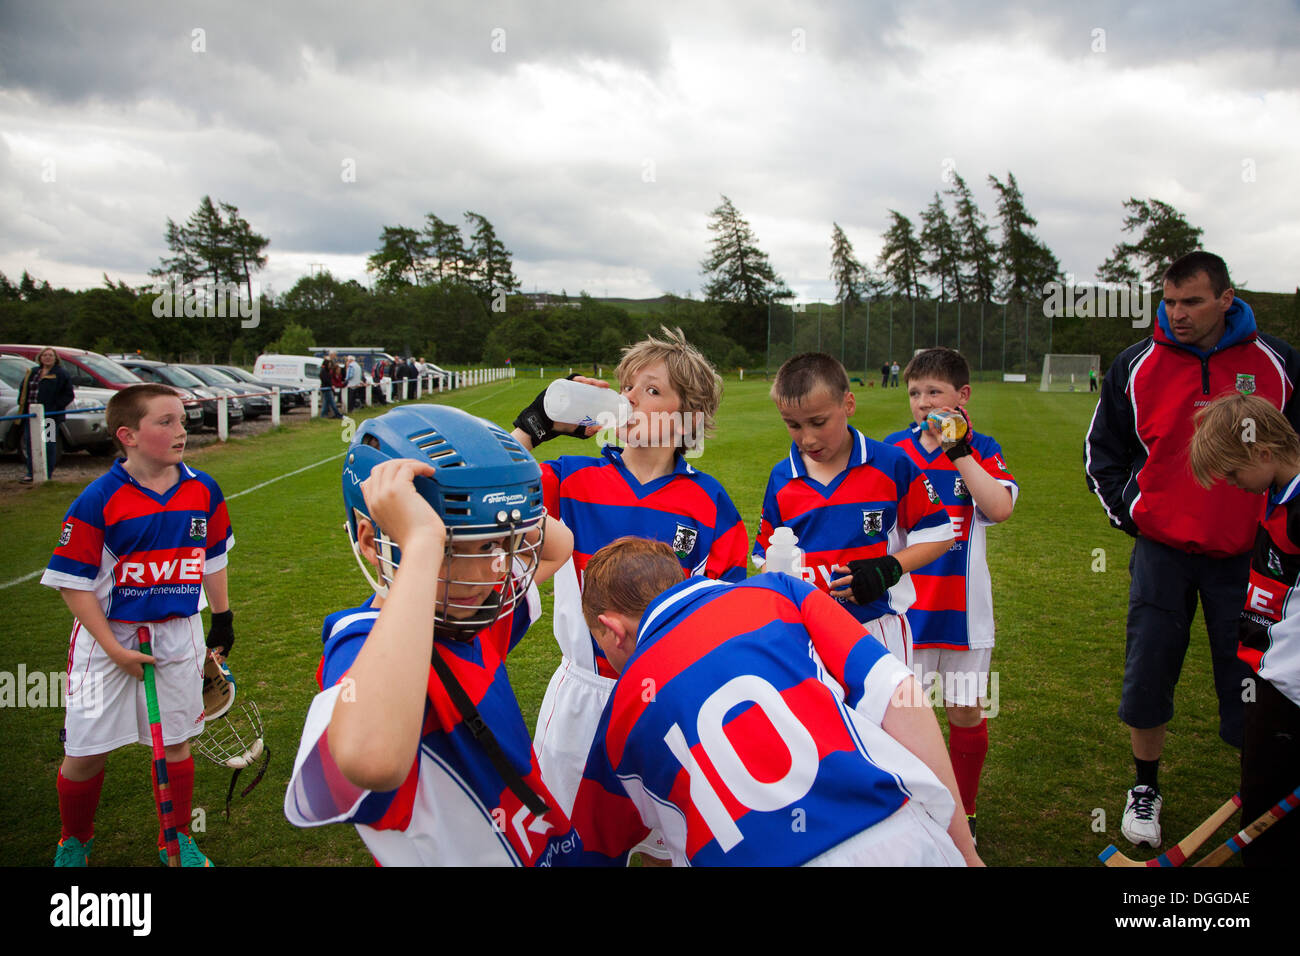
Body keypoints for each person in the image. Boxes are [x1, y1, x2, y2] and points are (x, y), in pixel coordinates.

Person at [562, 537, 982, 866]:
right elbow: (898, 694)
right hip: (895, 836)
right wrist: (965, 850)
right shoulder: (779, 592)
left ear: (610, 629)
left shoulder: (622, 709)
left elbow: (591, 848)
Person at [284, 404, 579, 865]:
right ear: (370, 537)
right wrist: (424, 540)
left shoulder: (475, 616)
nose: (482, 572)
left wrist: (499, 494)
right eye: (448, 551)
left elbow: (557, 547)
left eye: (489, 546)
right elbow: (373, 761)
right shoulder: (361, 644)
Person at [1085, 250, 1300, 848]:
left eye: (1192, 302)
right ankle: (1145, 787)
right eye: (1169, 302)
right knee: (1148, 673)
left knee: (1255, 681)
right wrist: (1139, 516)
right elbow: (1103, 454)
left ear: (1226, 299)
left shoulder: (1279, 362)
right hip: (1163, 553)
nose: (1176, 314)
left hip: (1253, 557)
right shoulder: (1136, 363)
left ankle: (1254, 794)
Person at [511, 327, 749, 864]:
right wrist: (533, 427)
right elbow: (491, 489)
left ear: (687, 416)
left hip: (666, 699)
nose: (629, 399)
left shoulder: (708, 501)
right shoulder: (571, 477)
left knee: (666, 843)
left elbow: (731, 611)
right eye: (627, 388)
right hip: (583, 695)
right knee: (566, 845)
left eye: (651, 390)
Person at [42, 383, 235, 866]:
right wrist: (114, 649)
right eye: (165, 422)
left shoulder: (202, 489)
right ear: (127, 435)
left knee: (176, 744)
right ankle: (74, 840)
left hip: (178, 631)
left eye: (182, 422)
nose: (180, 432)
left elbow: (211, 558)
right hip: (108, 636)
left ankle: (177, 841)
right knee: (86, 753)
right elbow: (73, 584)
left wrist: (223, 618)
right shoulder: (98, 498)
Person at [884, 347, 1018, 843]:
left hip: (964, 612)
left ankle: (967, 812)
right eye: (915, 393)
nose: (922, 402)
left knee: (964, 710)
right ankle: (911, 813)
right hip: (905, 611)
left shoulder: (982, 446)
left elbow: (999, 507)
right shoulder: (893, 451)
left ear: (962, 396)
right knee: (903, 718)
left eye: (934, 392)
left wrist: (959, 451)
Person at [754, 352, 953, 667]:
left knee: (889, 716)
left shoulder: (892, 464)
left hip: (877, 631)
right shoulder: (782, 477)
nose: (807, 438)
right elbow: (765, 551)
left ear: (848, 404)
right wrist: (785, 585)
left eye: (819, 422)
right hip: (808, 635)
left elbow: (940, 535)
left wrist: (888, 568)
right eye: (792, 424)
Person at [1188, 393, 1300, 865]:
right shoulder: (1276, 492)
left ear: (1264, 452)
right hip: (1266, 671)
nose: (1232, 484)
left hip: (1289, 686)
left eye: (1234, 473)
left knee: (1270, 811)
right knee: (1259, 792)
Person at [19, 346, 75, 483]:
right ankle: (31, 472)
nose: (47, 358)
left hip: (50, 417)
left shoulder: (61, 374)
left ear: (55, 358)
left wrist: (54, 407)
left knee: (48, 444)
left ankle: (47, 474)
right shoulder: (33, 372)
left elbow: (68, 395)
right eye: (45, 355)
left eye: (50, 355)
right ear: (40, 358)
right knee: (31, 443)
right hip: (31, 416)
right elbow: (24, 390)